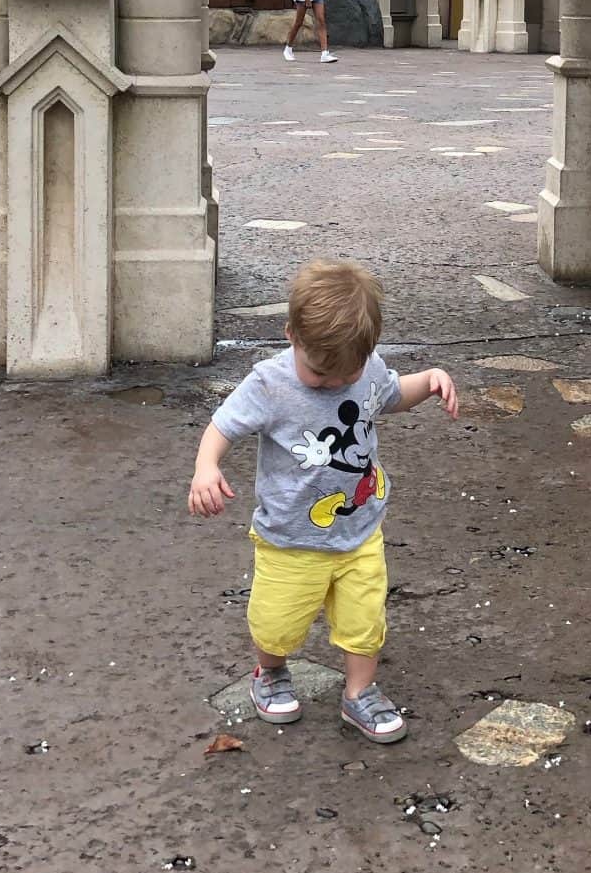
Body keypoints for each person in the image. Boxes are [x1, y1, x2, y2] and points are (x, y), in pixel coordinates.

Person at [187, 258, 458, 742]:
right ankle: (269, 671)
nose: (334, 384)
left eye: (345, 376)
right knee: (276, 622)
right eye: (319, 374)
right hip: (290, 537)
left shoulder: (367, 369)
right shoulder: (270, 384)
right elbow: (222, 425)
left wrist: (429, 381)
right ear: (291, 335)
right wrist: (206, 466)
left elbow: (391, 395)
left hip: (359, 529)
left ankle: (359, 693)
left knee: (365, 619)